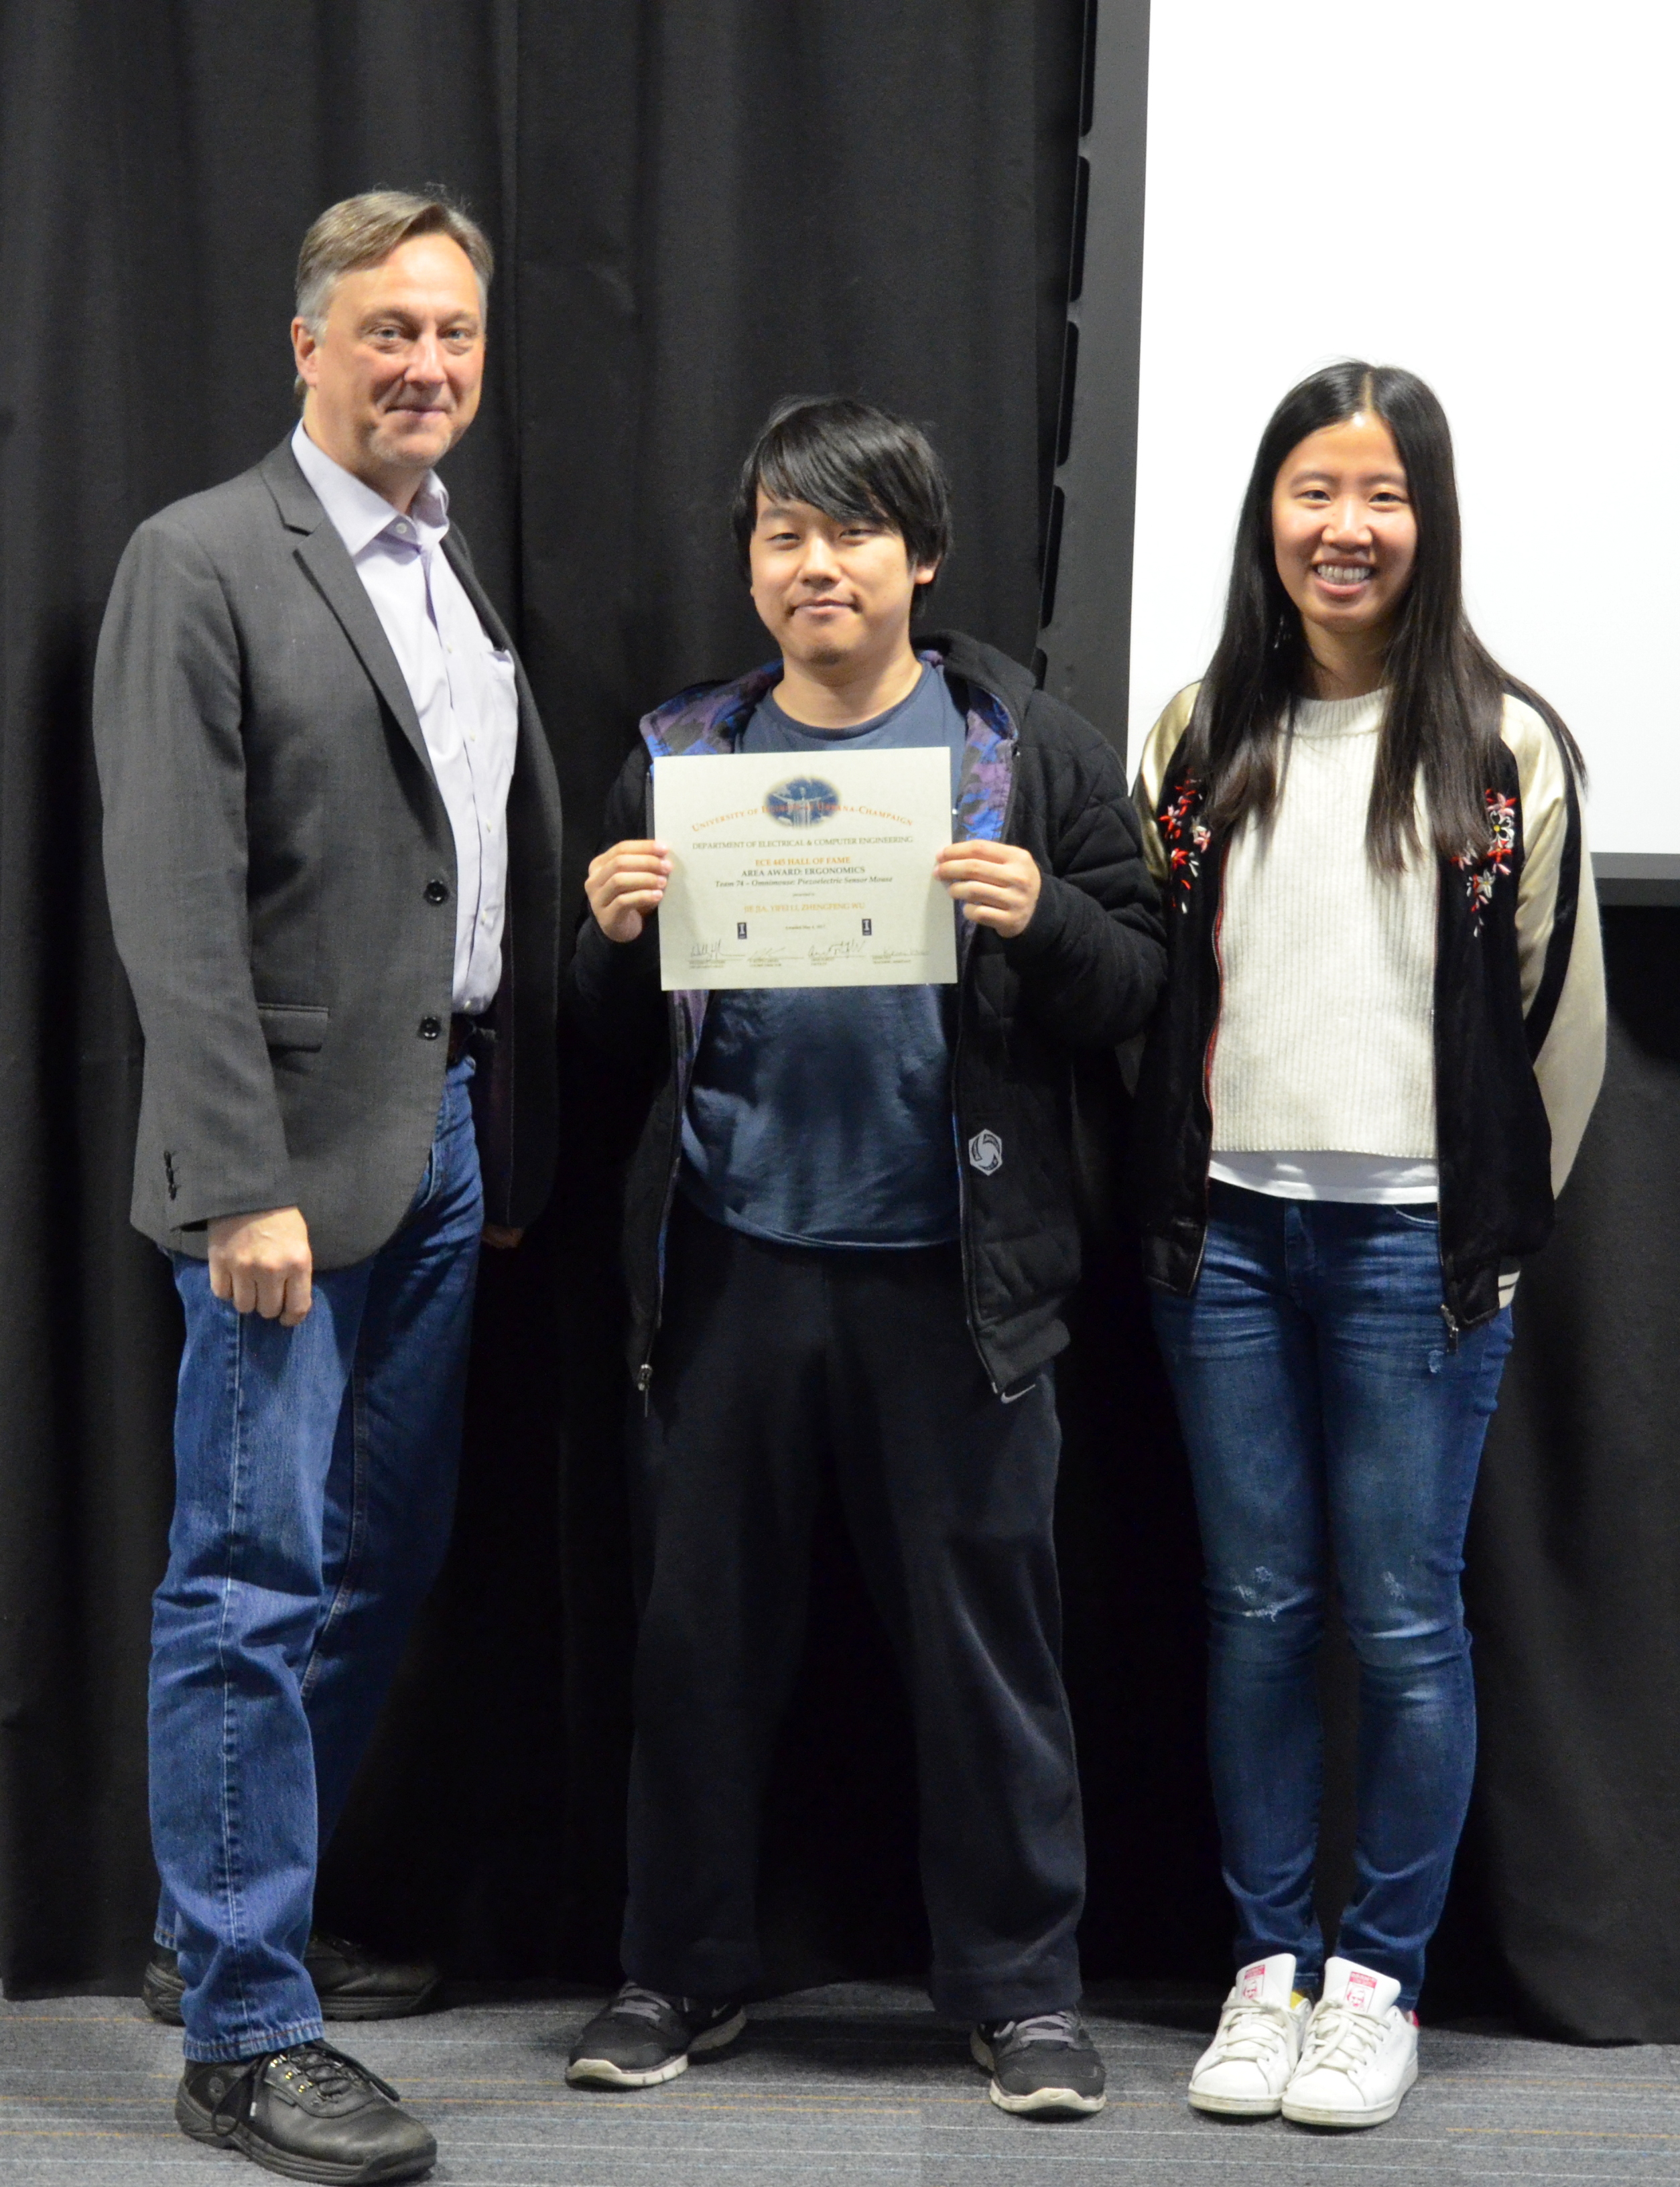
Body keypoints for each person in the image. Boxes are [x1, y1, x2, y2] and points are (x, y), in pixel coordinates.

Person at [566, 396, 1165, 2118]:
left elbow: (1137, 983)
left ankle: (1023, 1994)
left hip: (961, 1285)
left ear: (923, 559)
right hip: (732, 1269)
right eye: (781, 534)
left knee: (992, 1653)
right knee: (699, 1645)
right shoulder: (681, 748)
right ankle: (674, 1972)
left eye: (851, 534)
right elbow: (600, 1034)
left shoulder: (1020, 748)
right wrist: (607, 942)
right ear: (752, 561)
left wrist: (1043, 915)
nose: (815, 564)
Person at [93, 190, 563, 2183]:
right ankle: (242, 2032)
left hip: (443, 1148)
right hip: (281, 1175)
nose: (427, 368)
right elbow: (175, 907)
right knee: (250, 1572)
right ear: (308, 344)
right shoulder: (200, 558)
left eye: (452, 335)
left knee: (373, 1560)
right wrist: (236, 1184)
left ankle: (232, 1922)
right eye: (389, 333)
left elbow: (458, 874)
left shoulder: (447, 572)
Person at [1129, 362, 1605, 2131]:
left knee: (1401, 1619)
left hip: (1418, 1255)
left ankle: (1376, 1981)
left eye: (1381, 495)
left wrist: (1484, 1214)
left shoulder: (1504, 747)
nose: (1345, 528)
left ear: (1427, 520)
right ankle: (1266, 1971)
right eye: (1312, 492)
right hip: (1229, 1247)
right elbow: (1162, 981)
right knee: (1257, 1612)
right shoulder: (1193, 732)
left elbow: (1551, 1018)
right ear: (1268, 515)